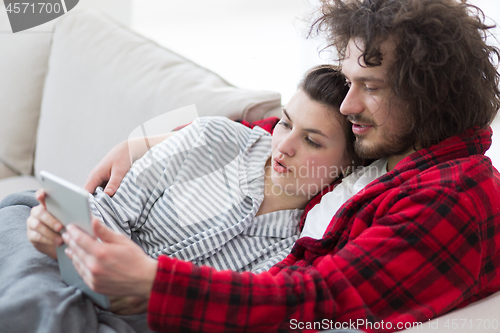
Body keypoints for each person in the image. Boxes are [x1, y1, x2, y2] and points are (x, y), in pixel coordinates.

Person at [44, 0, 500, 332]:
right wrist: (151, 138)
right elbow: (275, 127)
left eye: (371, 87)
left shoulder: (450, 196)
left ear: (428, 95)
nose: (348, 103)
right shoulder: (389, 147)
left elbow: (322, 303)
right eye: (350, 83)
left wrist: (154, 282)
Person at [26, 65, 363, 312]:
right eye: (285, 123)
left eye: (311, 141)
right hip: (74, 258)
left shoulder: (297, 250)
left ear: (346, 164)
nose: (284, 146)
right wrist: (61, 229)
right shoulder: (214, 139)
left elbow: (217, 311)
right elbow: (110, 208)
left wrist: (143, 294)